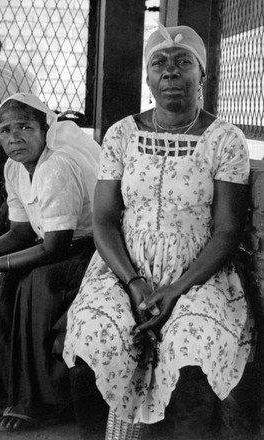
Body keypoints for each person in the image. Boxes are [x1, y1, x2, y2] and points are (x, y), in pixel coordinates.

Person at [63, 24, 255, 440]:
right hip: (122, 267)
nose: (170, 72)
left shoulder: (226, 140)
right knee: (91, 341)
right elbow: (104, 220)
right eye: (159, 63)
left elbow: (225, 231)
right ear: (148, 78)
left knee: (195, 346)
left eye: (183, 62)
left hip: (200, 273)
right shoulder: (121, 135)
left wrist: (177, 289)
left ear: (202, 75)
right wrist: (133, 283)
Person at [0, 93, 100, 432]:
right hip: (57, 247)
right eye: (6, 130)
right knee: (10, 282)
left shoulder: (56, 165)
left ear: (45, 130)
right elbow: (21, 232)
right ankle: (8, 381)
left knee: (38, 284)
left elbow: (54, 248)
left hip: (92, 252)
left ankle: (43, 401)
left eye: (25, 127)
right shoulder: (15, 168)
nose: (14, 137)